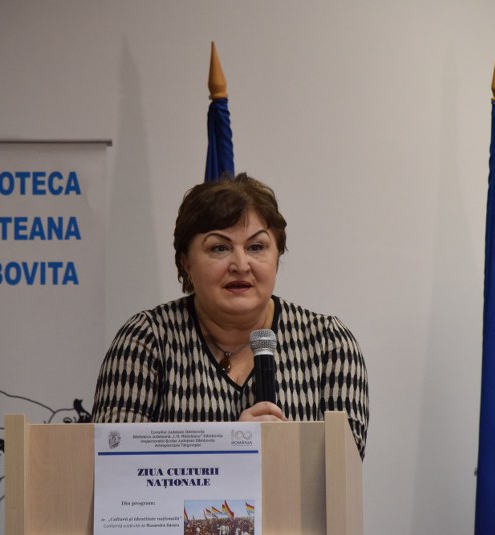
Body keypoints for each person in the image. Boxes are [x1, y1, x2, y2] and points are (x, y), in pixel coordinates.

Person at [92, 173, 368, 457]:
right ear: (186, 263)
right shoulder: (147, 340)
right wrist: (233, 449)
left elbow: (342, 471)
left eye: (256, 247)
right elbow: (114, 464)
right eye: (219, 248)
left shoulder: (328, 345)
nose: (240, 264)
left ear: (277, 256)